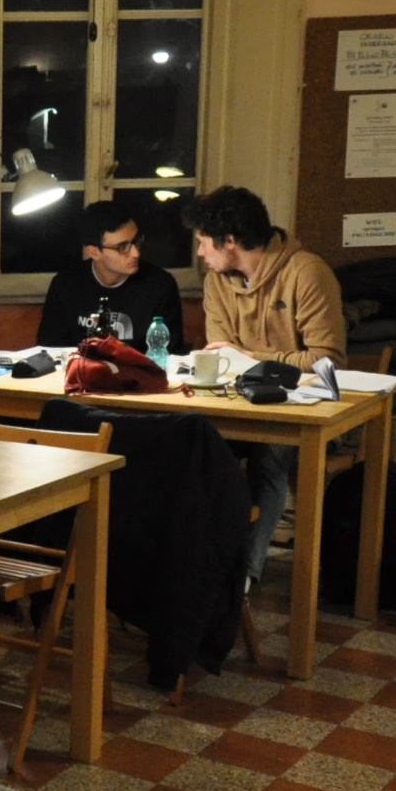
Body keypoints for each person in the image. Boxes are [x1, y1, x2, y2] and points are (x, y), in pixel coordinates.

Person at [188, 186, 351, 585]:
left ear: (229, 241)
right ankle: (196, 566)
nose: (200, 252)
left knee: (270, 455)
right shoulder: (217, 281)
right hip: (239, 401)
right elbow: (222, 354)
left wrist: (250, 356)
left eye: (203, 242)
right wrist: (242, 359)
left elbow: (327, 361)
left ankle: (242, 579)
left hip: (304, 406)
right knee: (192, 446)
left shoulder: (307, 272)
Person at [36, 198, 186, 348]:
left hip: (140, 364)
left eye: (136, 240)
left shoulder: (160, 285)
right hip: (79, 363)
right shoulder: (66, 285)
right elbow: (50, 349)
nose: (136, 253)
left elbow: (169, 352)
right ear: (94, 252)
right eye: (122, 247)